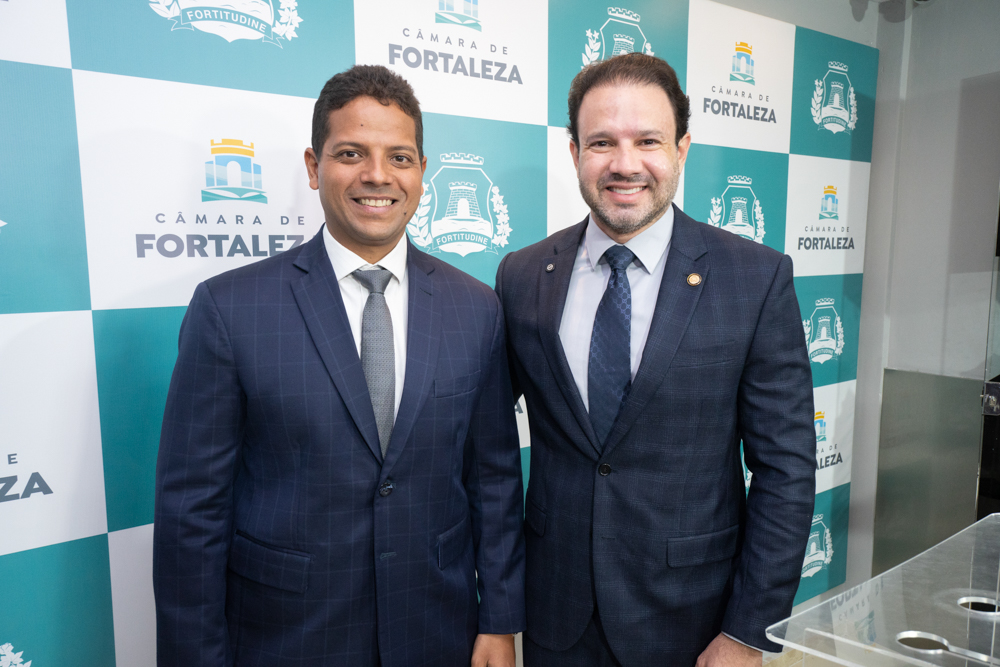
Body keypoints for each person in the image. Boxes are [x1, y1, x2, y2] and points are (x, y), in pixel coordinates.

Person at [153, 64, 525, 667]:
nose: (378, 175)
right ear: (313, 166)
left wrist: (501, 621)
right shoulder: (230, 308)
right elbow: (191, 512)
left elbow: (494, 480)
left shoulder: (477, 308)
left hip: (437, 631)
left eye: (399, 157)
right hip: (287, 639)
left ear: (421, 172)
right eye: (351, 153)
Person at [495, 53, 816, 667]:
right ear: (574, 152)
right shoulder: (523, 274)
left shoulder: (755, 279)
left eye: (648, 140)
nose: (625, 164)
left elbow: (786, 470)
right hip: (554, 613)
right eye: (602, 142)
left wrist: (749, 631)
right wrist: (498, 611)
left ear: (681, 149)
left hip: (692, 620)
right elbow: (488, 455)